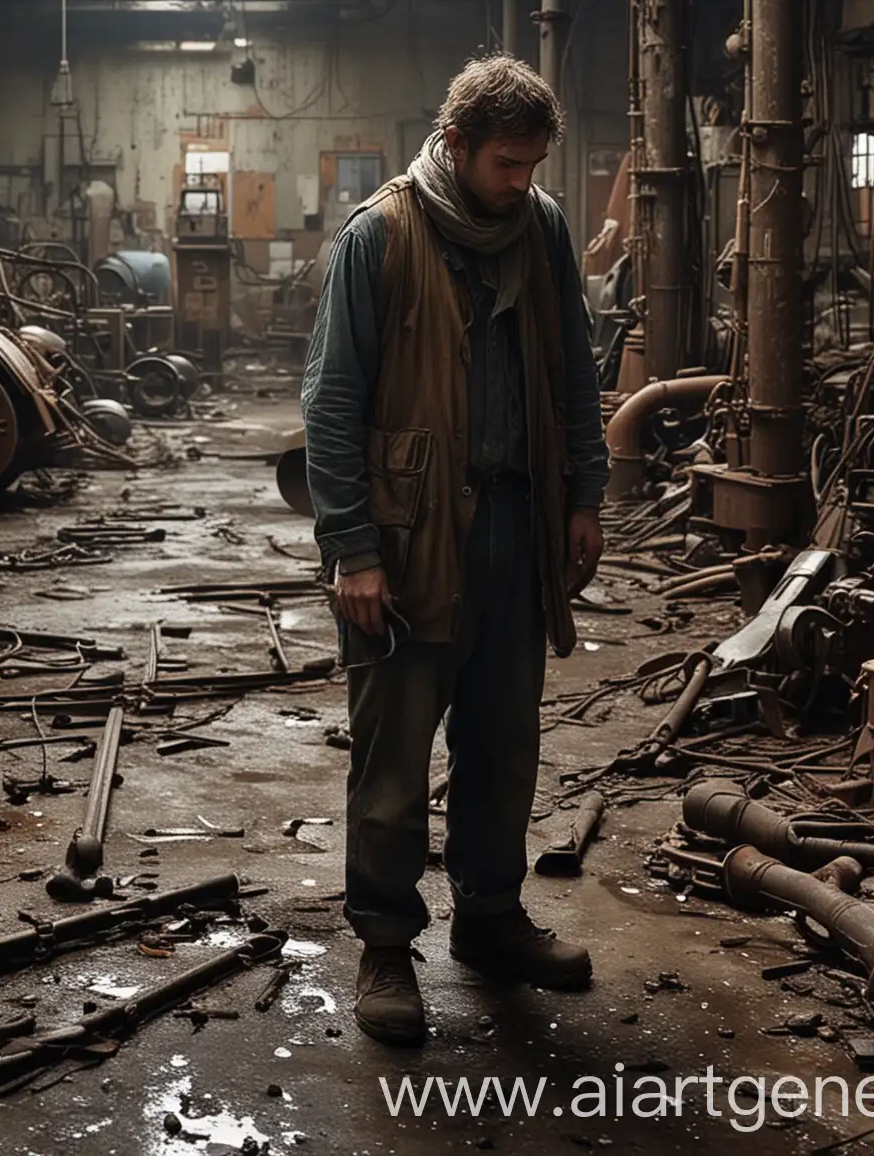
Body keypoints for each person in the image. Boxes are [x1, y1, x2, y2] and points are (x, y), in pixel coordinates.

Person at [300, 54, 610, 1047]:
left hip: (515, 527)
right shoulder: (383, 235)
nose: (522, 180)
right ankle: (388, 945)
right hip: (405, 534)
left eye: (533, 164)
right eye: (507, 164)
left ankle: (489, 918)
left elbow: (573, 367)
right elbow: (332, 401)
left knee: (503, 744)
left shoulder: (543, 229)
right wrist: (351, 547)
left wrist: (583, 497)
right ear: (459, 144)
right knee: (393, 758)